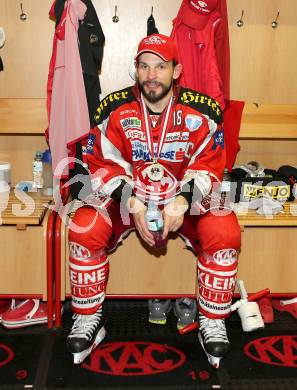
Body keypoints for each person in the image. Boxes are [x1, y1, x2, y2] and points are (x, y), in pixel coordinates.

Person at [67, 33, 241, 367]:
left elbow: (211, 165)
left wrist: (183, 200)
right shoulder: (114, 108)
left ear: (176, 71)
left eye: (160, 67)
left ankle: (212, 320)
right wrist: (131, 202)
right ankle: (90, 318)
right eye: (144, 66)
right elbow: (100, 164)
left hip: (182, 201)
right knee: (84, 225)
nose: (151, 75)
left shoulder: (202, 111)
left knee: (225, 229)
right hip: (130, 199)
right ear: (136, 69)